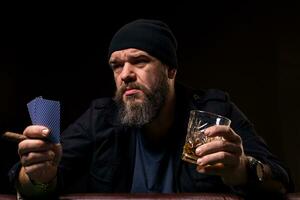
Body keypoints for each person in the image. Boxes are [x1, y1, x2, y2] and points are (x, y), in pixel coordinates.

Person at [11, 19, 293, 199]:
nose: (125, 74)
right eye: (116, 65)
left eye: (140, 61)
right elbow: (32, 182)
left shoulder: (213, 108)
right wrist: (38, 176)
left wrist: (242, 169)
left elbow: (280, 181)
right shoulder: (101, 117)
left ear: (170, 70)